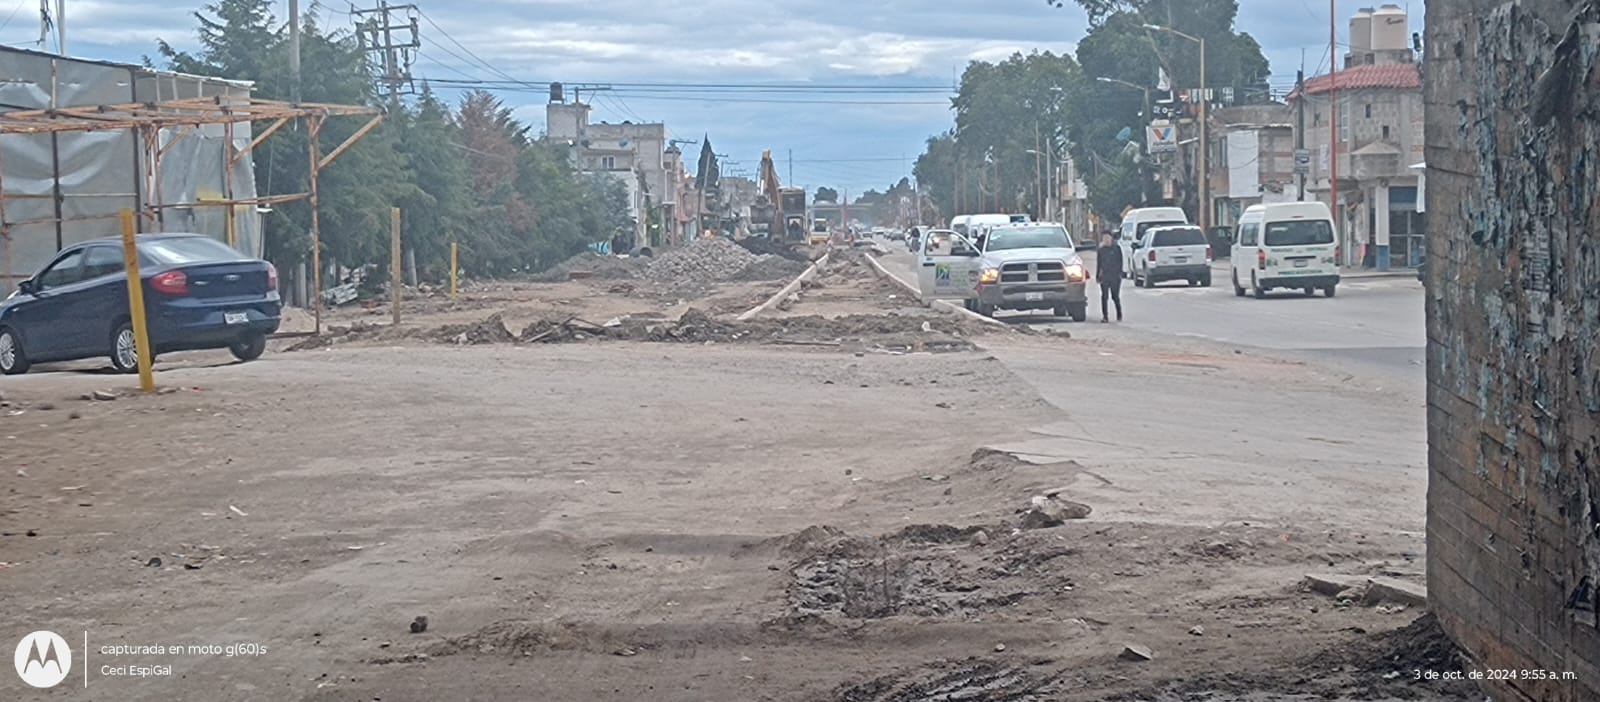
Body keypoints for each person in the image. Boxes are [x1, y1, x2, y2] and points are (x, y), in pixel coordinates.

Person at [1095, 233, 1124, 323]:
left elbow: (1120, 261)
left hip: (1115, 276)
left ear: (1111, 238)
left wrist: (1120, 273)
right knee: (1104, 296)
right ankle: (1105, 316)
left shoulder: (1117, 248)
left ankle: (1119, 314)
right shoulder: (1101, 250)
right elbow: (1099, 263)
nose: (1106, 240)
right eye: (1104, 238)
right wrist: (1097, 276)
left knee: (1115, 296)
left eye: (1107, 238)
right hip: (1104, 276)